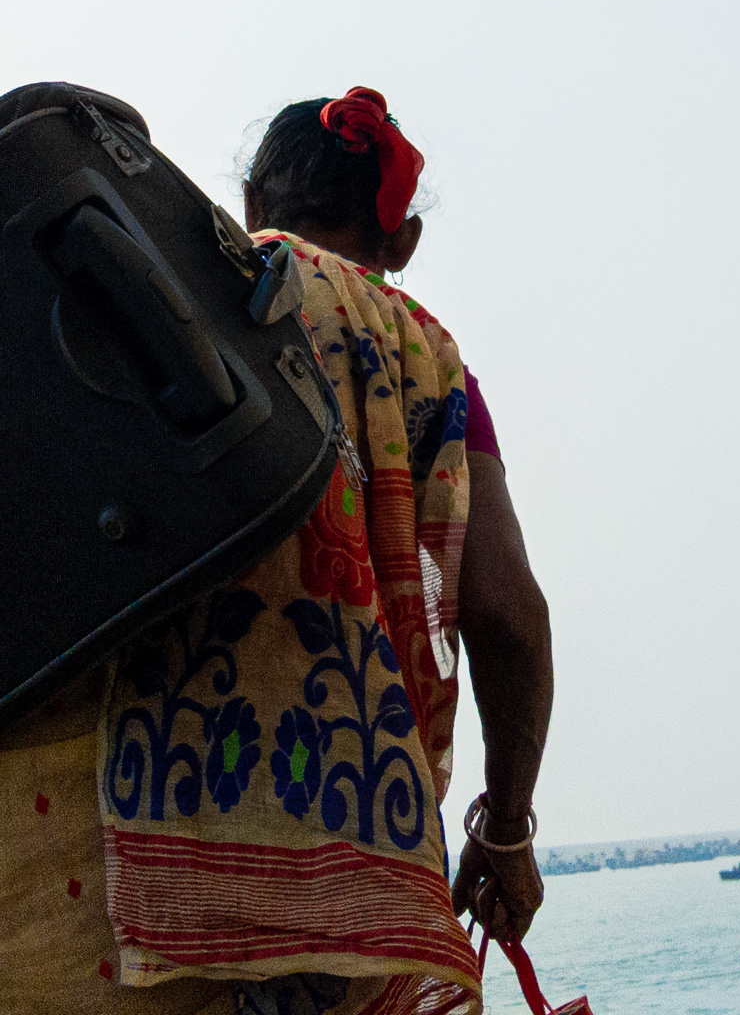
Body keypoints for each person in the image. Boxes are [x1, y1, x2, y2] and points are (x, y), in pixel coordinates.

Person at [0, 87, 552, 1013]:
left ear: (251, 203)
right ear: (403, 242)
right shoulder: (421, 355)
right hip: (333, 891)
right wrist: (505, 831)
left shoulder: (134, 289)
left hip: (71, 891)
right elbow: (505, 615)